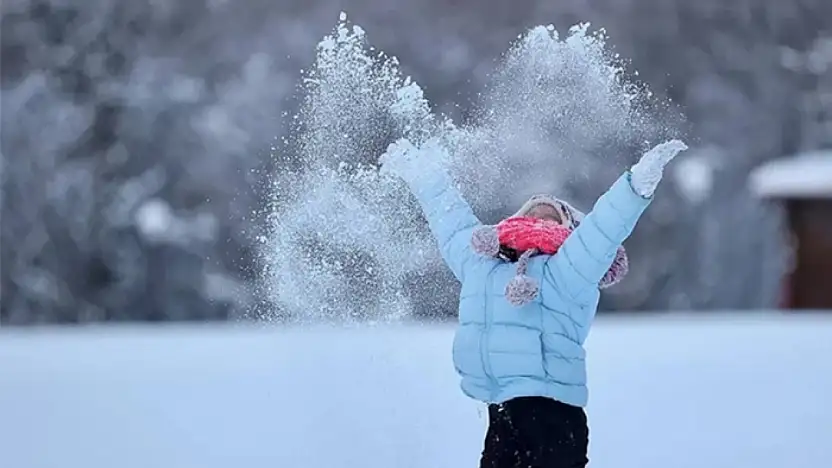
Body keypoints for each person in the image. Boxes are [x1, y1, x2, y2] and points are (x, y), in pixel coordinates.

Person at [379, 136, 687, 468]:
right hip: (501, 410)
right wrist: (424, 175)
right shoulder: (483, 263)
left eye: (553, 217)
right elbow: (451, 222)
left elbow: (604, 229)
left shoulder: (570, 268)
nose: (542, 218)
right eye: (533, 213)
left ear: (571, 231)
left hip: (552, 411)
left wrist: (635, 186)